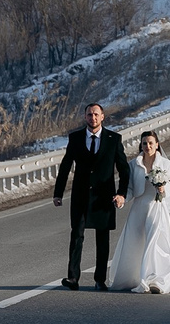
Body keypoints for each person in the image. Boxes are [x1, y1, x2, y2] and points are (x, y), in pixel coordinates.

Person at [51, 102, 129, 289]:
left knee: (102, 238)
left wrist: (121, 194)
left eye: (96, 115)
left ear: (102, 116)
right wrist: (58, 193)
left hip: (104, 197)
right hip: (80, 195)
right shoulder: (76, 138)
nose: (92, 118)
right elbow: (66, 166)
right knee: (76, 235)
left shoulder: (113, 139)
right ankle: (73, 278)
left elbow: (124, 169)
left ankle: (100, 279)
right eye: (89, 115)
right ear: (84, 117)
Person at [113, 129, 170, 295]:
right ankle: (136, 278)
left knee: (156, 243)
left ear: (157, 145)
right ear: (141, 145)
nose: (147, 146)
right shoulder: (134, 164)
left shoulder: (166, 165)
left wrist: (162, 189)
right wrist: (122, 199)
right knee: (135, 242)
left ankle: (156, 280)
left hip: (157, 206)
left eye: (151, 143)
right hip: (139, 208)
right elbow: (129, 189)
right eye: (144, 143)